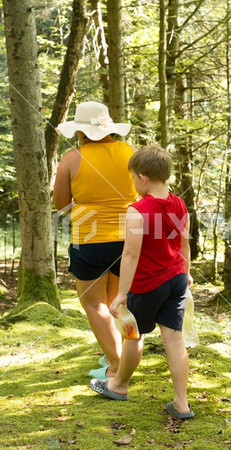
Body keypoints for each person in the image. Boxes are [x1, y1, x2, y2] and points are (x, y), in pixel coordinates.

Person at [90, 145, 195, 420]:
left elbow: (131, 254)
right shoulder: (179, 203)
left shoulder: (138, 210)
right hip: (176, 280)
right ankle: (182, 404)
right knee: (174, 338)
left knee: (134, 336)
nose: (134, 183)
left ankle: (119, 385)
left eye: (134, 178)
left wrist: (121, 293)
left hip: (148, 284)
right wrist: (187, 272)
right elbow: (184, 243)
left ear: (143, 177)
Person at [53, 101, 137, 378]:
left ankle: (116, 365)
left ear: (80, 131)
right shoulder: (130, 152)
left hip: (90, 240)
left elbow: (61, 204)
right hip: (131, 239)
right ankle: (124, 358)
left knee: (94, 304)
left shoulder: (72, 157)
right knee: (118, 303)